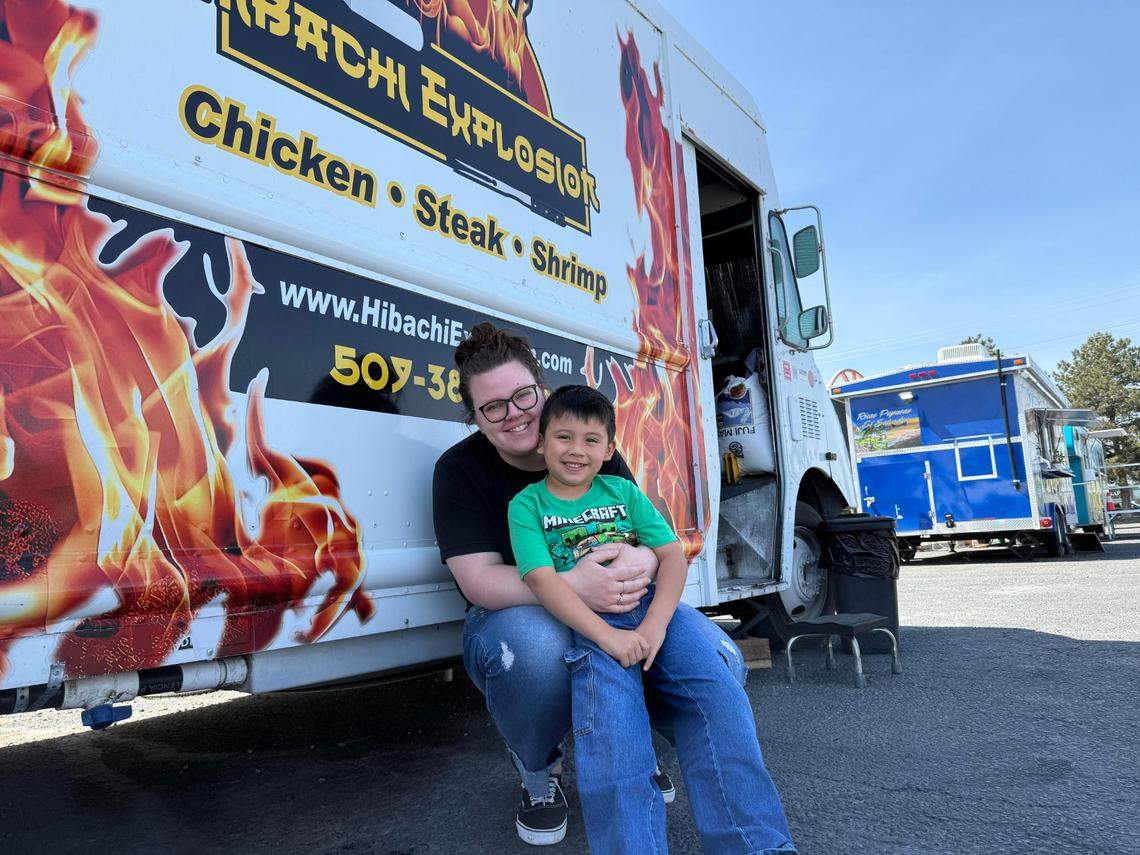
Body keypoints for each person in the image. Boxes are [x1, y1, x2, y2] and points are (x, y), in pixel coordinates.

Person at [432, 323, 752, 846]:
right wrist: (573, 585)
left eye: (522, 396)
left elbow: (652, 535)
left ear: (542, 388)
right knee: (535, 650)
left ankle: (642, 754)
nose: (514, 413)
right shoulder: (459, 471)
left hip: (622, 597)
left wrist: (644, 560)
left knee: (718, 658)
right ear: (475, 418)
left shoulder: (586, 443)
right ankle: (540, 773)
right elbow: (479, 582)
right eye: (493, 407)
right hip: (515, 614)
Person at [508, 385, 796, 855]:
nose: (576, 450)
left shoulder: (622, 490)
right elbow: (542, 581)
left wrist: (655, 628)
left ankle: (756, 846)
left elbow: (672, 558)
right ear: (541, 443)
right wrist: (608, 638)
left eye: (590, 440)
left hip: (656, 611)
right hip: (592, 622)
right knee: (615, 735)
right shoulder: (527, 506)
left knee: (719, 694)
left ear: (610, 449)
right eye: (563, 437)